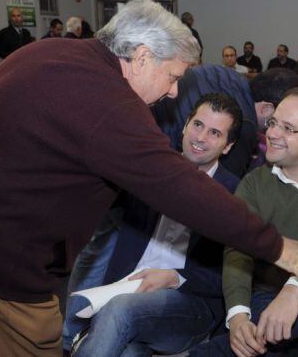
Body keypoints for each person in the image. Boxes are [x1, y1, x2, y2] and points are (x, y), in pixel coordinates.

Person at [0, 0, 298, 355]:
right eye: (174, 76)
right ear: (144, 57)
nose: (175, 91)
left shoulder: (46, 52)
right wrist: (277, 246)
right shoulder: (110, 102)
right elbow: (179, 186)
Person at [72, 93, 242, 356]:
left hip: (190, 302)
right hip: (127, 284)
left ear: (228, 146)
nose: (200, 138)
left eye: (214, 133)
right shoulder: (152, 169)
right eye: (198, 125)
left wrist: (175, 277)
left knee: (122, 308)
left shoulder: (235, 195)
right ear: (185, 124)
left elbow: (232, 276)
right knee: (128, 351)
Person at [191, 87, 298, 356]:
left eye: (288, 129)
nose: (273, 133)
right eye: (273, 122)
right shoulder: (255, 182)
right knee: (257, 329)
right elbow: (237, 248)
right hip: (266, 292)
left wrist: (294, 288)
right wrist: (237, 315)